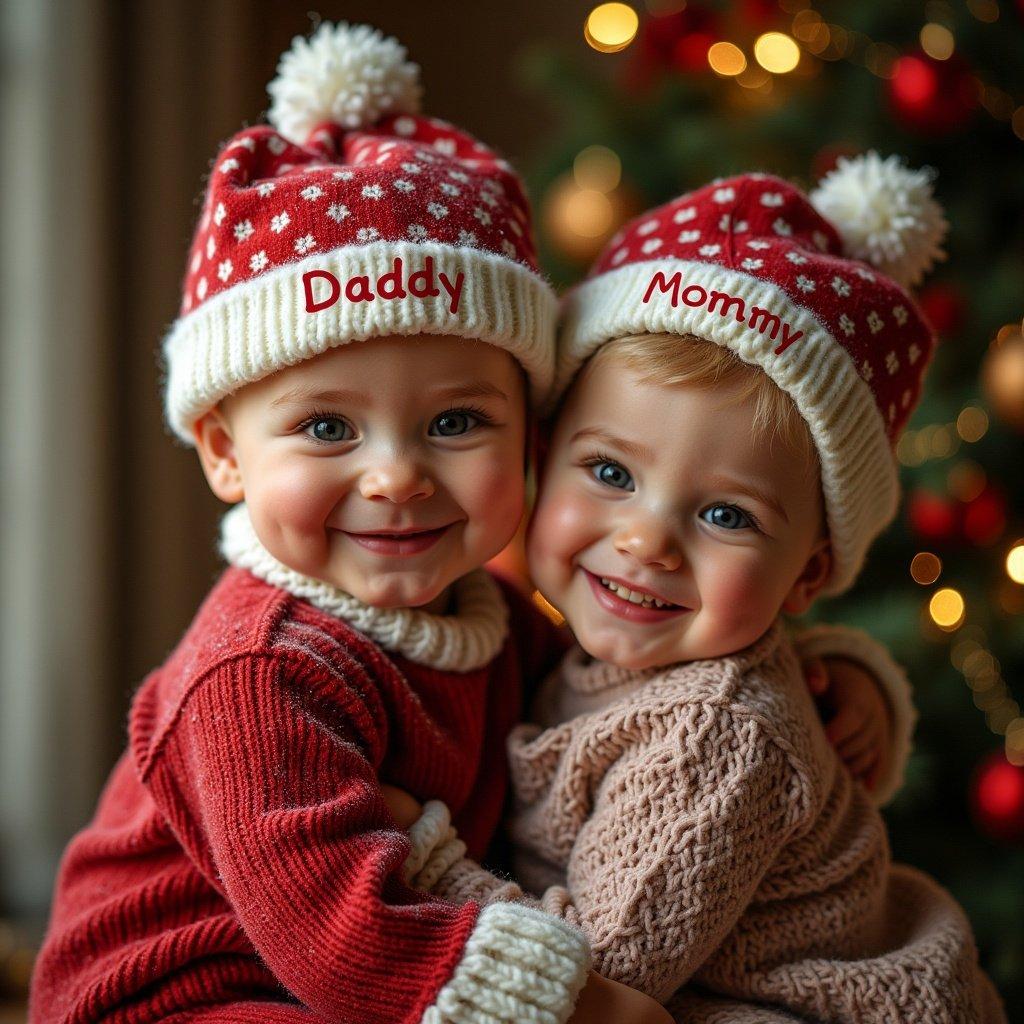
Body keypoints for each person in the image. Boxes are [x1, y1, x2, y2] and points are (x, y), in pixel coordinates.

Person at [29, 22, 920, 1024]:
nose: (400, 477)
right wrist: (580, 1003)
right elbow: (341, 937)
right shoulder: (258, 673)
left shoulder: (495, 614)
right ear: (226, 452)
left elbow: (645, 678)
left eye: (456, 422)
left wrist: (836, 685)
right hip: (187, 994)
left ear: (530, 434)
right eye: (328, 426)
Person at [398, 157, 1008, 1022]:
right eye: (610, 471)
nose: (646, 539)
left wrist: (420, 860)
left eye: (726, 515)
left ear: (809, 573)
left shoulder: (710, 737)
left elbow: (590, 979)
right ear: (541, 461)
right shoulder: (597, 645)